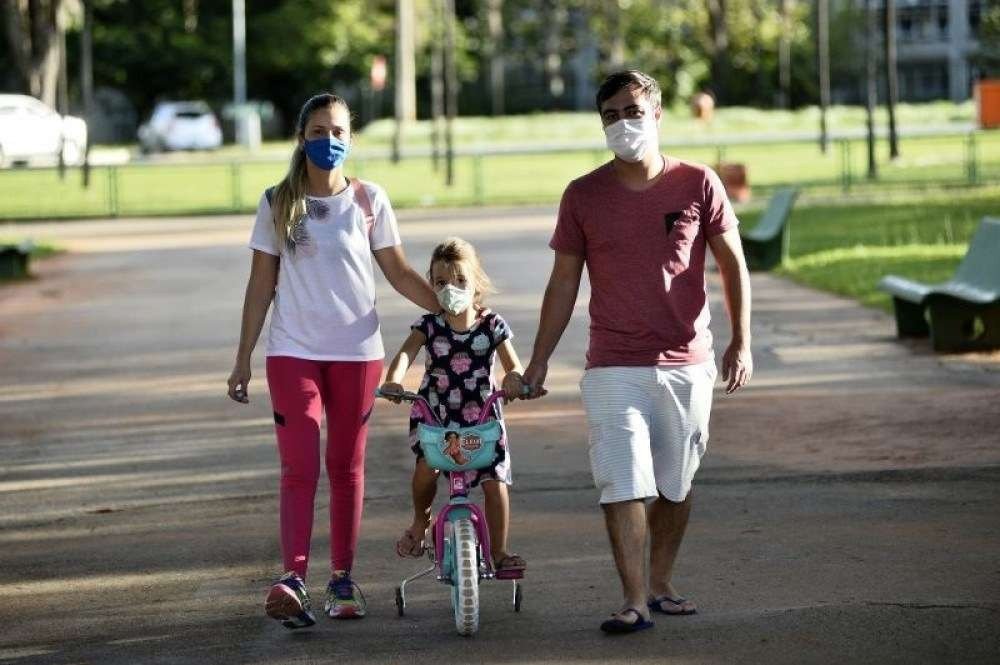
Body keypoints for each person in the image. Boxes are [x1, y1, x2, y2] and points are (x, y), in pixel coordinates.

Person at [521, 70, 753, 634]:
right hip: (612, 364)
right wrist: (539, 358)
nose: (623, 124)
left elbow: (732, 264)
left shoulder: (698, 183)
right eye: (610, 116)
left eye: (632, 111)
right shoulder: (583, 195)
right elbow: (562, 285)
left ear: (656, 114)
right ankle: (633, 599)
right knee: (622, 480)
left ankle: (661, 580)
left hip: (686, 360)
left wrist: (741, 340)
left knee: (676, 484)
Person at [226, 92, 438, 629]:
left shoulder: (369, 200)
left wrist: (455, 309)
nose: (329, 141)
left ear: (351, 138)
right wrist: (242, 358)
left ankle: (342, 579)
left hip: (358, 355)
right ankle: (292, 579)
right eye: (318, 131)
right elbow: (260, 286)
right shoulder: (278, 201)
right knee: (299, 468)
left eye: (339, 131)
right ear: (302, 138)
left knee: (346, 469)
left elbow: (399, 272)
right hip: (293, 353)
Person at [379, 237, 527, 574]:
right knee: (424, 470)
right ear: (431, 284)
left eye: (460, 280)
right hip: (437, 414)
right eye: (442, 282)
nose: (451, 289)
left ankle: (500, 552)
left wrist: (515, 379)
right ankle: (421, 521)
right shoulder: (429, 325)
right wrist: (393, 380)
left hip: (482, 416)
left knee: (495, 482)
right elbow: (406, 353)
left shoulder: (491, 325)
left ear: (476, 283)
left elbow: (513, 365)